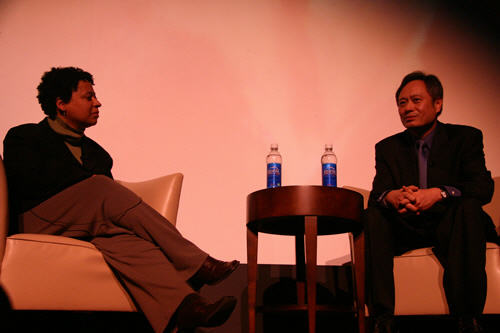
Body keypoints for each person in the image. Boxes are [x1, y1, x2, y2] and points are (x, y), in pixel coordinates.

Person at [2, 67, 240, 333]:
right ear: (61, 104)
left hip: (83, 228)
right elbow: (30, 184)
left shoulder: (98, 155)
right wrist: (88, 188)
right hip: (36, 220)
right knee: (102, 187)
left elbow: (99, 207)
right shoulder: (24, 136)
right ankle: (197, 264)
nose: (98, 103)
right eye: (88, 96)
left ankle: (187, 307)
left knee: (129, 242)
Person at [364, 71, 498, 333]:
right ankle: (381, 319)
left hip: (452, 224)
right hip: (409, 227)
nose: (408, 108)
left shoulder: (465, 138)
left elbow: (483, 187)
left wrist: (439, 193)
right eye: (402, 103)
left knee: (468, 207)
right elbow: (377, 193)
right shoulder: (387, 147)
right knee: (373, 216)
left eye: (415, 100)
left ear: (438, 104)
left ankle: (467, 318)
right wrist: (392, 196)